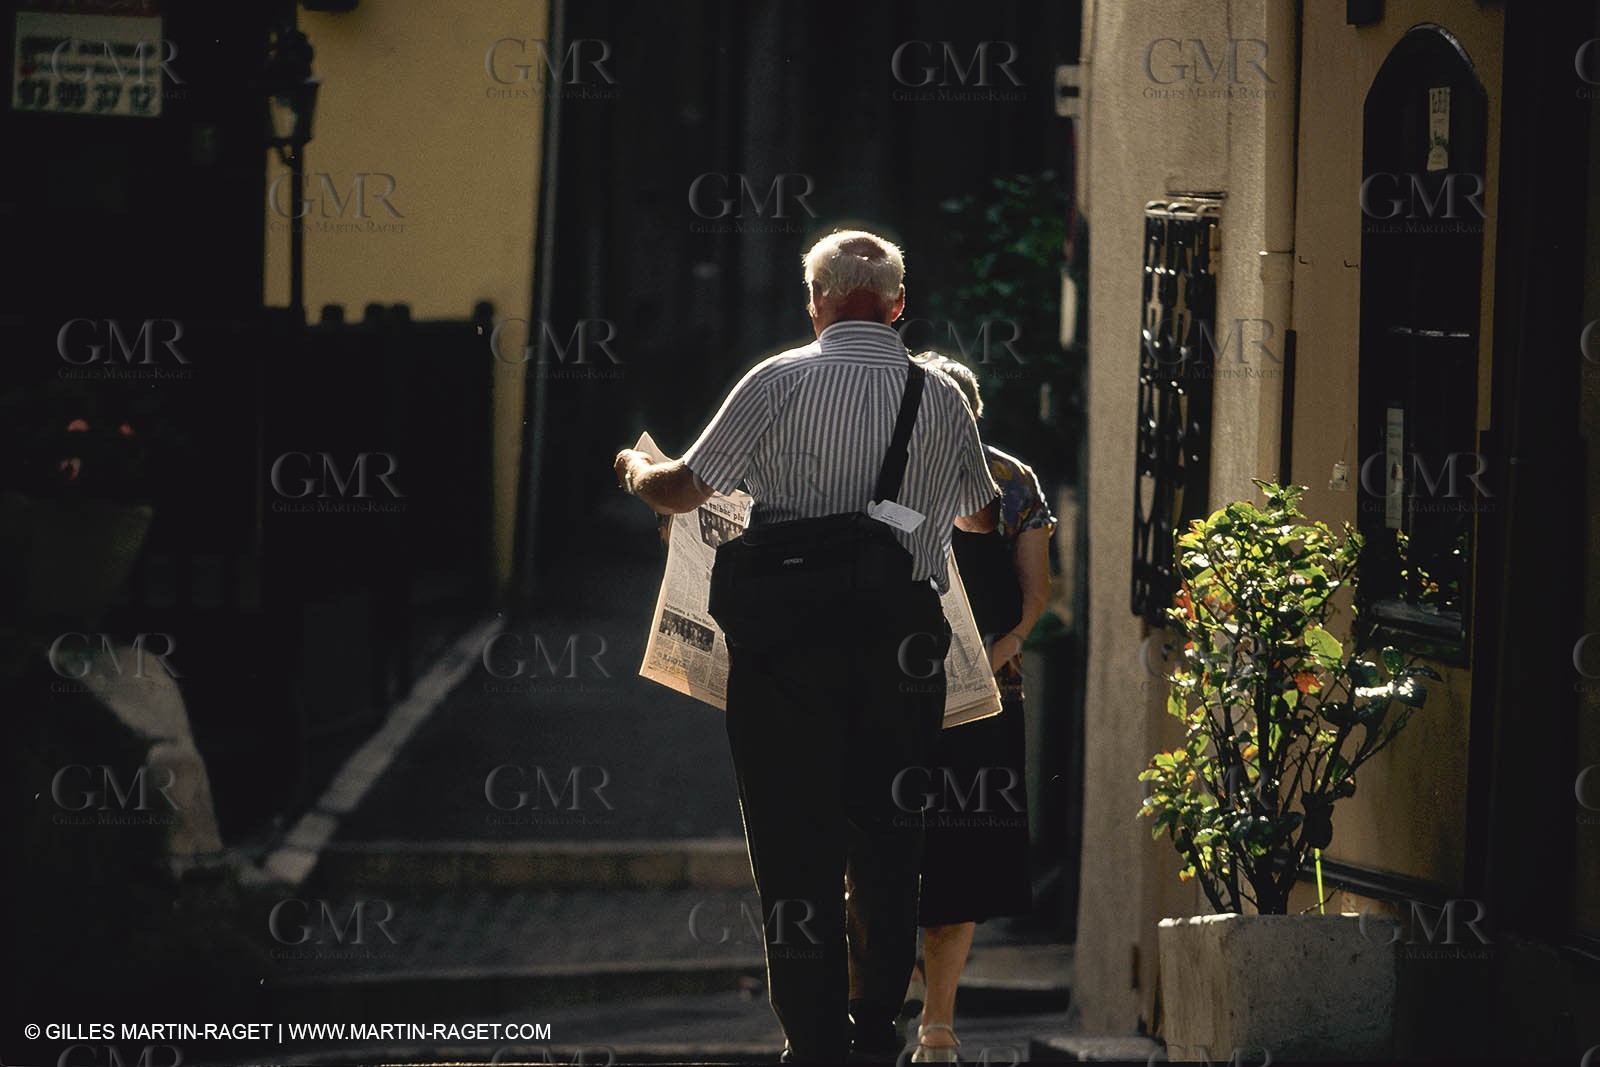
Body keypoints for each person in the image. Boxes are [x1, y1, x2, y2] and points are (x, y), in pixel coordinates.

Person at [612, 230, 1000, 1063]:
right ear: (898, 306)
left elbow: (684, 487)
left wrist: (634, 474)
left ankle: (814, 1038)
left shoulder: (776, 380)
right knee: (890, 842)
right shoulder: (940, 398)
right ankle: (875, 1030)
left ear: (816, 302)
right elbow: (980, 515)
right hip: (901, 650)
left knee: (794, 849)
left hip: (786, 648)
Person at [889, 352, 1056, 1062]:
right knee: (887, 854)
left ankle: (938, 1023)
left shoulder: (1014, 482)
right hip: (896, 697)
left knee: (961, 860)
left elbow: (1036, 595)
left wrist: (1004, 644)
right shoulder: (891, 479)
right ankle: (888, 994)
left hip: (987, 700)